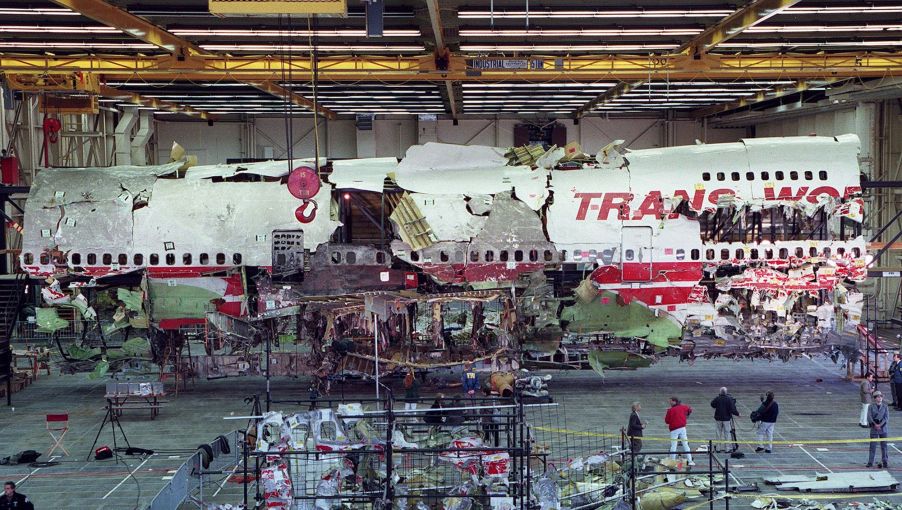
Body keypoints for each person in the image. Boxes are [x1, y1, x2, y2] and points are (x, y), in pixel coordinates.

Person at [664, 396, 695, 466]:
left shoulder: (670, 410)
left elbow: (667, 421)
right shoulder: (683, 407)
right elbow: (690, 409)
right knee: (685, 445)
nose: (669, 402)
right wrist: (686, 416)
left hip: (674, 429)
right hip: (682, 428)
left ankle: (672, 461)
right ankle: (690, 461)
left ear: (674, 401)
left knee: (673, 446)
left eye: (670, 401)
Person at [711, 387, 740, 452]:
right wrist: (737, 414)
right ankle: (727, 448)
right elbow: (732, 409)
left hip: (718, 418)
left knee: (718, 433)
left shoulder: (717, 398)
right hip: (726, 419)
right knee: (727, 433)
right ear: (726, 392)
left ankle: (718, 448)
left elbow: (712, 404)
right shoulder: (729, 399)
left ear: (720, 392)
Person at [867, 391, 890, 468]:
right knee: (872, 446)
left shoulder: (885, 407)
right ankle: (870, 462)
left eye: (881, 396)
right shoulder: (871, 406)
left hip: (883, 429)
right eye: (878, 396)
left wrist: (880, 425)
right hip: (874, 428)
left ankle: (885, 461)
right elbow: (869, 417)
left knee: (884, 446)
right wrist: (874, 424)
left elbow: (886, 418)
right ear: (875, 398)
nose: (880, 398)